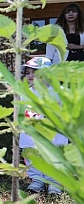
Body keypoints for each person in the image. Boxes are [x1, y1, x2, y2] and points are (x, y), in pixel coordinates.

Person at [20, 57, 67, 195]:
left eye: (34, 72)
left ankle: (54, 181)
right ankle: (37, 179)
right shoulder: (26, 93)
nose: (30, 75)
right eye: (28, 72)